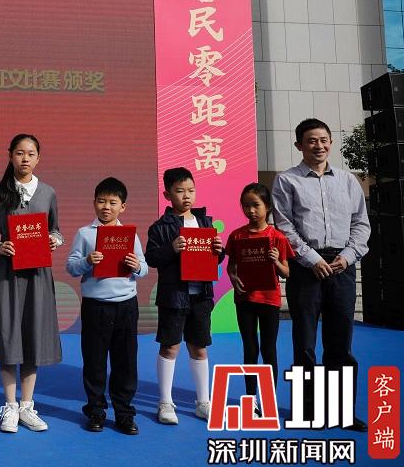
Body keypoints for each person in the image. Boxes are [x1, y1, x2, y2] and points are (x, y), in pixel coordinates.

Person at [272, 118, 370, 431]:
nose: (319, 145)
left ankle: (341, 411)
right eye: (312, 140)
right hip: (305, 269)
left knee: (341, 343)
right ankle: (308, 411)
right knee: (305, 343)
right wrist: (311, 258)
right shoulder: (286, 181)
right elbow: (284, 226)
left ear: (331, 142)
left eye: (324, 139)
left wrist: (348, 255)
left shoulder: (348, 181)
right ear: (299, 145)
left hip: (342, 266)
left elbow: (361, 224)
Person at [0, 134, 63, 433]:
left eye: (31, 153)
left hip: (37, 275)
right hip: (6, 275)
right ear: (10, 155)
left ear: (39, 158)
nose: (25, 158)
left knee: (32, 335)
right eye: (19, 153)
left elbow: (56, 230)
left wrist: (53, 240)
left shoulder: (48, 192)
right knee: (8, 336)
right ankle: (10, 406)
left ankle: (27, 405)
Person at [66, 177, 147, 435]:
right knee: (94, 361)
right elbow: (71, 267)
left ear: (123, 206)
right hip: (95, 306)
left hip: (126, 305)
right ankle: (96, 411)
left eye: (113, 202)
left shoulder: (130, 235)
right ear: (94, 203)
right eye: (101, 201)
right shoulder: (85, 233)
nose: (106, 207)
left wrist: (137, 266)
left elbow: (144, 268)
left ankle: (124, 413)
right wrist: (87, 261)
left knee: (126, 362)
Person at [145, 167, 224, 425]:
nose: (186, 196)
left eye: (191, 190)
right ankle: (165, 402)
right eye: (180, 191)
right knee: (170, 346)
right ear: (167, 195)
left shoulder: (205, 222)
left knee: (199, 348)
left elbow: (214, 259)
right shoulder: (160, 227)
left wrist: (219, 251)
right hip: (173, 296)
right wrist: (172, 248)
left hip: (201, 295)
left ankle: (203, 402)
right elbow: (151, 258)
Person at [225, 183, 293, 407]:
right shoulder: (236, 236)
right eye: (246, 206)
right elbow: (231, 266)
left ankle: (269, 399)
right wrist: (233, 278)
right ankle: (251, 398)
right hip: (244, 300)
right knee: (250, 349)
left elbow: (286, 272)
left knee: (268, 349)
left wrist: (276, 261)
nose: (251, 210)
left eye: (256, 205)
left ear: (268, 207)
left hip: (269, 300)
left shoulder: (277, 237)